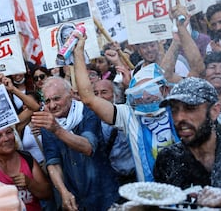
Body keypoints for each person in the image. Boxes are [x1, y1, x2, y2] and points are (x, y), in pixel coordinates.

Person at [74, 34, 180, 182]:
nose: (145, 95)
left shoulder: (179, 108)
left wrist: (178, 36)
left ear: (164, 90)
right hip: (152, 197)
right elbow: (89, 98)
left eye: (151, 89)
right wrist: (78, 53)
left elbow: (195, 68)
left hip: (188, 191)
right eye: (138, 92)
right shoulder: (128, 115)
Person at [153, 77, 221, 208]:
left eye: (190, 108)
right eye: (174, 110)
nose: (179, 117)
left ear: (214, 111)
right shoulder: (168, 159)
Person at [31, 76, 120, 210]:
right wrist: (63, 192)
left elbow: (88, 147)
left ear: (71, 94)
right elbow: (53, 163)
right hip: (75, 199)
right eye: (48, 101)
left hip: (103, 194)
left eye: (56, 98)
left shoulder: (88, 112)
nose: (52, 105)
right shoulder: (47, 122)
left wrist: (57, 130)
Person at [0, 115, 52, 211]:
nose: (6, 138)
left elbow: (47, 193)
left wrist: (30, 183)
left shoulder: (27, 158)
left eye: (9, 132)